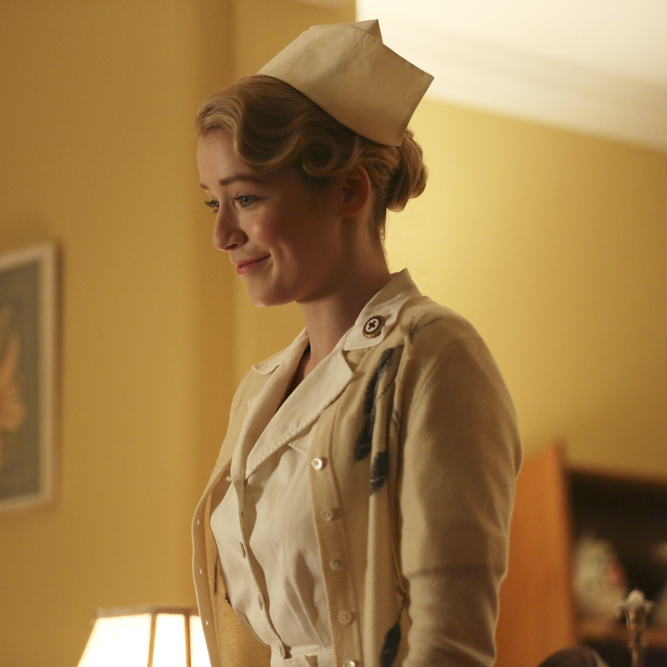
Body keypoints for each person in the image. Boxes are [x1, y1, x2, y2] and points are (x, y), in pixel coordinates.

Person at [190, 20, 522, 667]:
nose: (222, 235)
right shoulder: (258, 391)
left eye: (246, 198)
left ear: (348, 190)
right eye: (213, 204)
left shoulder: (435, 356)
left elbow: (449, 643)